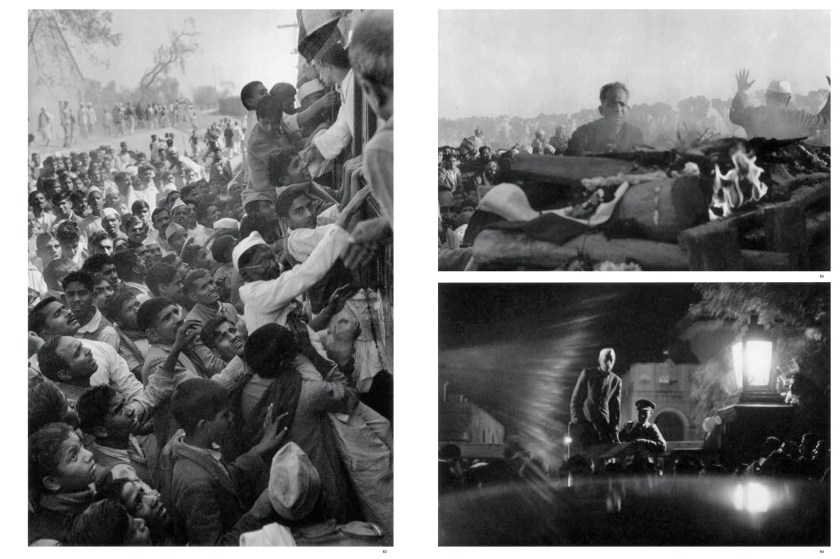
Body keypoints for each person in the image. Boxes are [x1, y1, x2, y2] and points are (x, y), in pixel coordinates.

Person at [160, 377, 290, 545]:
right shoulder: (195, 485)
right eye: (224, 415)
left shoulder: (197, 447)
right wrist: (258, 511)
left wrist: (259, 449)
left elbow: (224, 478)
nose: (231, 417)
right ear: (203, 426)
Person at [76, 385, 157, 485]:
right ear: (101, 431)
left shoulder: (119, 436)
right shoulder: (121, 474)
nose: (130, 410)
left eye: (125, 403)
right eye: (119, 410)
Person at [729, 69, 830, 140]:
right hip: (790, 168)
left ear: (767, 97)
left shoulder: (754, 114)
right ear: (788, 99)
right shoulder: (800, 117)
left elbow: (735, 114)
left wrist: (742, 91)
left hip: (757, 167)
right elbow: (827, 121)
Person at [566, 82, 644, 155]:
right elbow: (570, 163)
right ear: (601, 110)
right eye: (611, 105)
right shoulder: (583, 133)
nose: (617, 109)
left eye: (622, 104)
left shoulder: (635, 134)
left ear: (628, 109)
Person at [569, 347, 622, 448]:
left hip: (604, 427)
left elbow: (615, 409)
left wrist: (615, 431)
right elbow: (576, 399)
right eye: (608, 358)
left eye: (613, 359)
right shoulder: (588, 374)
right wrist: (576, 419)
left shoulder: (616, 380)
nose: (610, 361)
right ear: (599, 360)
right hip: (586, 425)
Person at [62, 270, 120, 351]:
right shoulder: (61, 322)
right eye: (71, 294)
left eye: (82, 293)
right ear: (64, 299)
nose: (76, 299)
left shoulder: (106, 333)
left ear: (93, 296)